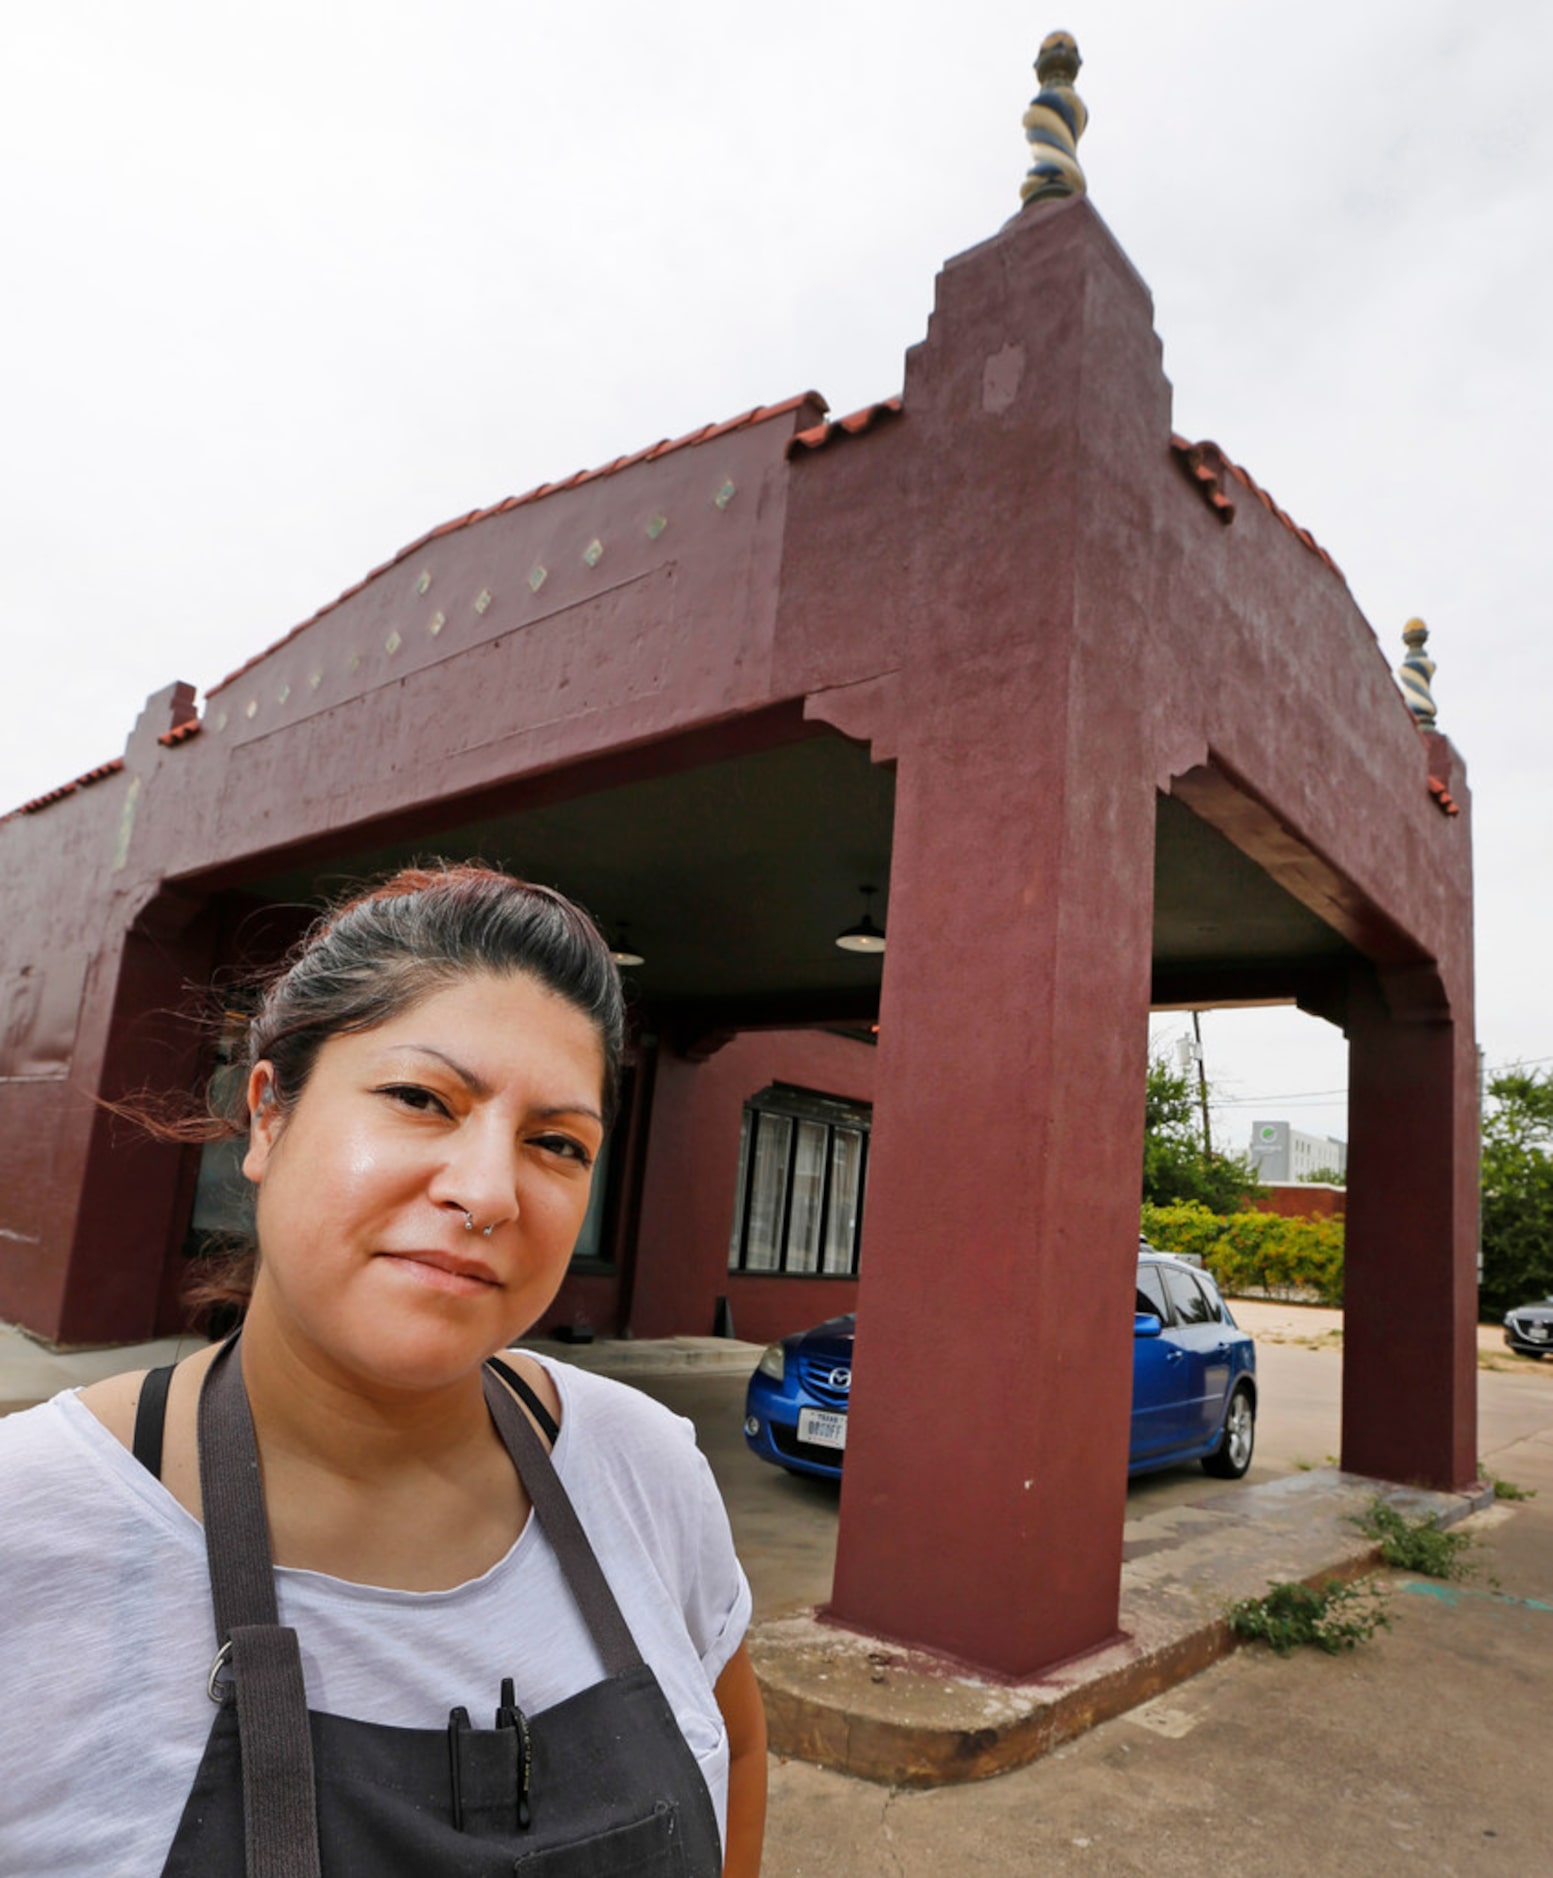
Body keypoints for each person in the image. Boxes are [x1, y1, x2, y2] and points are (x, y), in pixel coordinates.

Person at [0, 863, 767, 1875]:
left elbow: (739, 1747)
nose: (488, 1191)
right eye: (419, 1096)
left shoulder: (643, 1467)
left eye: (556, 1142)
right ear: (268, 1115)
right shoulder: (27, 1526)